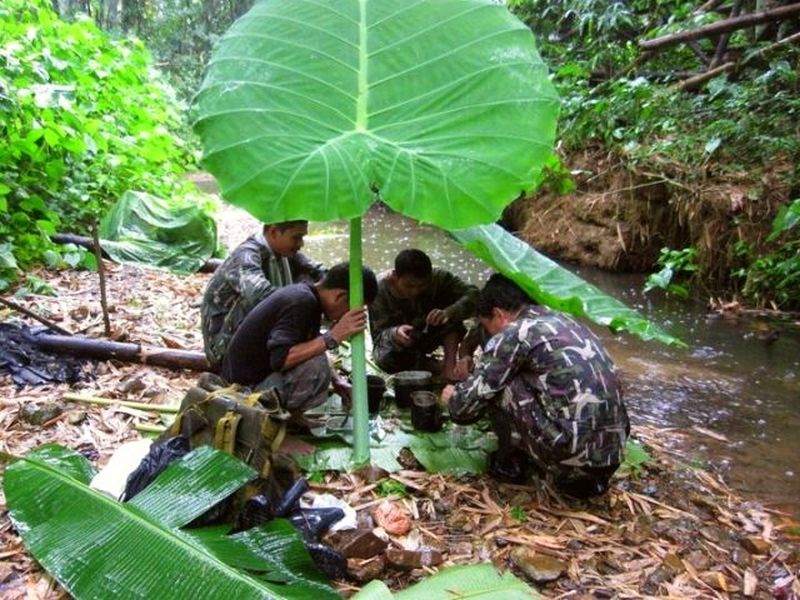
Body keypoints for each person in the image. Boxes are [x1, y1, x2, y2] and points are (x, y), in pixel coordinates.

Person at [440, 274, 630, 498]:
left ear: (499, 314)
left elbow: (464, 411)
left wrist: (453, 397)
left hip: (569, 462)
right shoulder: (564, 320)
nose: (488, 334)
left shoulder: (515, 333)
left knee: (501, 383)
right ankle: (581, 475)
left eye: (486, 325)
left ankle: (509, 464)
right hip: (612, 458)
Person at [221, 263, 378, 425]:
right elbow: (281, 359)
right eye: (351, 310)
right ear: (340, 297)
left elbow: (308, 345)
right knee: (316, 366)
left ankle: (292, 418)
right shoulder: (302, 302)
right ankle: (272, 426)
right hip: (241, 393)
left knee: (319, 357)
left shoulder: (308, 297)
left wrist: (337, 380)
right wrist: (334, 336)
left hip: (255, 379)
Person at [201, 221, 325, 370]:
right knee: (299, 299)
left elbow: (322, 274)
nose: (301, 244)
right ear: (273, 232)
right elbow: (261, 296)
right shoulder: (246, 256)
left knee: (309, 284)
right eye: (296, 237)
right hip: (224, 348)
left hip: (249, 334)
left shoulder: (285, 253)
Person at [370, 249, 478, 380]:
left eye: (422, 286)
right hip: (404, 343)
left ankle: (449, 365)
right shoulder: (378, 290)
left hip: (432, 332)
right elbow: (378, 338)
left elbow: (475, 295)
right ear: (394, 276)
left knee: (451, 310)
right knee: (384, 358)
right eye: (409, 286)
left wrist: (449, 312)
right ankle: (433, 366)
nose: (415, 291)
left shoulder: (439, 278)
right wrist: (395, 333)